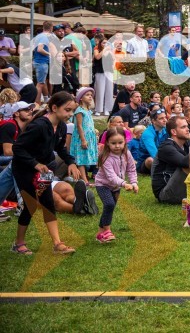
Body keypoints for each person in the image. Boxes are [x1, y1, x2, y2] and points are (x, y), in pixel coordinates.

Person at [10, 92, 84, 255]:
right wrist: (35, 164)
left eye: (72, 110)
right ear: (54, 107)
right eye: (67, 110)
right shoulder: (39, 126)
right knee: (29, 206)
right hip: (24, 169)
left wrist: (71, 162)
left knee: (48, 202)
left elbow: (60, 149)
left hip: (45, 169)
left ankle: (57, 244)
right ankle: (18, 244)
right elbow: (17, 148)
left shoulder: (62, 126)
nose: (70, 114)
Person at [94, 127, 138, 243]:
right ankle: (107, 231)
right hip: (103, 184)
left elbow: (131, 169)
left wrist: (134, 182)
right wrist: (124, 183)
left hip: (116, 186)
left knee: (110, 207)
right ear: (107, 143)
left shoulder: (126, 154)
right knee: (109, 204)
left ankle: (100, 233)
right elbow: (111, 176)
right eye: (113, 143)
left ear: (125, 141)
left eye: (120, 142)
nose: (117, 146)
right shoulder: (106, 156)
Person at [69, 87, 98, 183]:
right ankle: (85, 180)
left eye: (91, 95)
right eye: (87, 95)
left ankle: (85, 175)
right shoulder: (79, 111)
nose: (90, 97)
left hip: (89, 137)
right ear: (81, 98)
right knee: (81, 157)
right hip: (81, 137)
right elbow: (79, 126)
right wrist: (83, 139)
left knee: (86, 156)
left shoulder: (88, 110)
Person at [32, 21, 55, 102]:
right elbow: (39, 49)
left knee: (43, 81)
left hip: (36, 61)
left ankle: (46, 99)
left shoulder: (38, 36)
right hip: (41, 62)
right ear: (51, 28)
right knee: (40, 84)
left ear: (43, 27)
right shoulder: (44, 37)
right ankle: (37, 103)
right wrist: (49, 54)